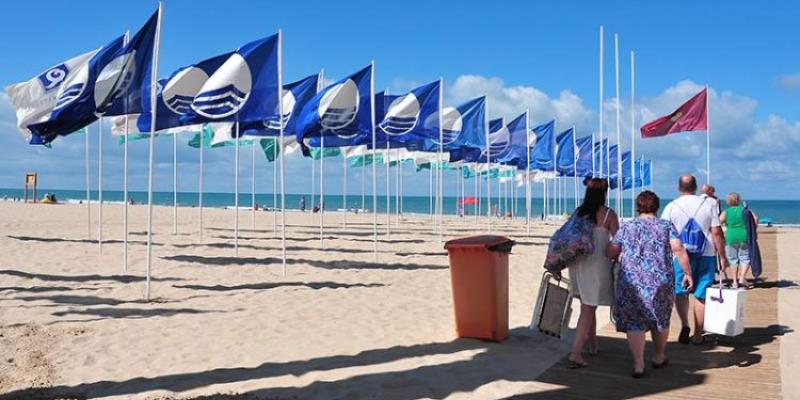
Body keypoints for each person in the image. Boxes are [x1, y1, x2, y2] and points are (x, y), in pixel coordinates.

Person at [608, 191, 693, 378]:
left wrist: (612, 254)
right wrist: (687, 273)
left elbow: (612, 251)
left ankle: (638, 364)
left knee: (634, 322)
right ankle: (659, 356)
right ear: (656, 206)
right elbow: (678, 249)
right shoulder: (666, 226)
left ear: (638, 206)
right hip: (660, 280)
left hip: (632, 282)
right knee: (660, 318)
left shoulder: (627, 227)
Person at [662, 175, 728, 345]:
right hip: (706, 254)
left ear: (679, 188)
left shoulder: (671, 206)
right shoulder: (708, 205)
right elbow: (716, 232)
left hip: (679, 255)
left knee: (680, 291)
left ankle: (685, 324)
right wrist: (722, 256)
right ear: (695, 187)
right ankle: (698, 335)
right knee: (701, 294)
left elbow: (663, 233)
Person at [567, 178, 619, 369]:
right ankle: (575, 354)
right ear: (604, 193)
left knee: (588, 304)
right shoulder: (608, 215)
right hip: (597, 263)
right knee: (589, 307)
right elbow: (617, 240)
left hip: (579, 262)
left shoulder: (579, 213)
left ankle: (593, 345)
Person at [720, 192, 758, 288]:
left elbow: (718, 222)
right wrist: (753, 228)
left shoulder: (726, 212)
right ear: (739, 200)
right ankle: (742, 278)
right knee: (745, 258)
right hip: (744, 236)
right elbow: (756, 219)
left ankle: (734, 281)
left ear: (728, 201)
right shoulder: (745, 210)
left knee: (733, 260)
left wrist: (724, 229)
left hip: (730, 237)